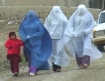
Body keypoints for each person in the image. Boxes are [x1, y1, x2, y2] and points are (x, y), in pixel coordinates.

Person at [61, 4, 102, 69]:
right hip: (77, 35)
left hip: (86, 34)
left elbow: (92, 24)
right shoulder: (75, 16)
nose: (81, 11)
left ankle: (85, 62)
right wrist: (72, 32)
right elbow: (70, 25)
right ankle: (80, 64)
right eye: (80, 10)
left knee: (86, 47)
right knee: (79, 49)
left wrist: (87, 30)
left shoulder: (88, 15)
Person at [19, 10, 52, 76]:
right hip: (27, 43)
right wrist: (25, 37)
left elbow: (41, 31)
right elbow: (21, 31)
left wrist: (32, 37)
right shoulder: (24, 23)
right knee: (28, 56)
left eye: (32, 15)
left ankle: (33, 70)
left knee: (35, 56)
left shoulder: (37, 23)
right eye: (29, 15)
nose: (30, 17)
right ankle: (33, 68)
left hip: (35, 43)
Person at [44, 6, 70, 72]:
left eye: (57, 11)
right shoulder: (49, 19)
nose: (56, 13)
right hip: (51, 37)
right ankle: (54, 67)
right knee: (52, 52)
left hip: (60, 37)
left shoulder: (62, 19)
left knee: (59, 51)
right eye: (55, 11)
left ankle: (58, 66)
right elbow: (46, 26)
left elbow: (67, 24)